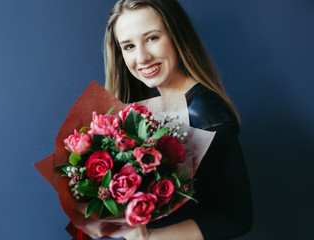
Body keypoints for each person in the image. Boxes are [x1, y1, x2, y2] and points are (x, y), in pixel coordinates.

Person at [102, 0, 253, 239]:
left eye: (152, 38)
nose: (142, 57)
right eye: (129, 46)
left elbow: (236, 218)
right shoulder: (145, 113)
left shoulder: (206, 115)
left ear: (176, 35)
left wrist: (151, 238)